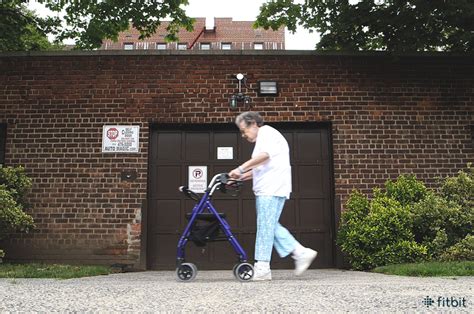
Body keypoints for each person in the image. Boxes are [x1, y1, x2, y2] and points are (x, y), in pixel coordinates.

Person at [228, 111, 317, 281]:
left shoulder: (266, 132)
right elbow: (261, 168)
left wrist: (240, 169)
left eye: (243, 130)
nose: (243, 135)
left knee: (265, 227)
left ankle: (262, 267)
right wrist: (239, 177)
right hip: (274, 187)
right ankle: (300, 252)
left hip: (270, 188)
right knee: (270, 225)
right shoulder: (267, 136)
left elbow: (264, 156)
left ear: (253, 123)